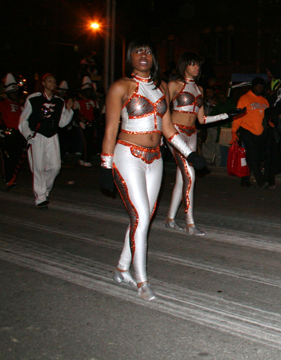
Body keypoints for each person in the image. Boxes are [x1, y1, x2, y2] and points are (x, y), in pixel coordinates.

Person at [99, 40, 207, 301]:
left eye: (148, 51)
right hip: (127, 156)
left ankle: (122, 268)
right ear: (130, 58)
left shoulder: (159, 88)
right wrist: (106, 165)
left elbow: (168, 128)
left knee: (143, 217)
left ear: (154, 58)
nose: (143, 55)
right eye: (138, 51)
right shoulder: (120, 87)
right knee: (141, 216)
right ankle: (141, 282)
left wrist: (189, 153)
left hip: (155, 159)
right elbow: (111, 129)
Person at [166, 52, 245, 235]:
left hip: (192, 134)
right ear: (184, 65)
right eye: (193, 64)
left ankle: (170, 219)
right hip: (176, 134)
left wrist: (227, 115)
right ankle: (190, 223)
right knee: (190, 175)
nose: (196, 67)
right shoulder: (174, 85)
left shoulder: (199, 89)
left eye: (198, 65)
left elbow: (201, 119)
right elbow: (161, 111)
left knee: (183, 177)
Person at [18, 73, 74, 208]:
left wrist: (69, 109)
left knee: (55, 167)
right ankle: (40, 197)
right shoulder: (33, 99)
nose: (52, 83)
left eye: (54, 81)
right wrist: (28, 135)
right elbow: (23, 120)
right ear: (43, 83)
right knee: (38, 167)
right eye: (49, 81)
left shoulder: (59, 101)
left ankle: (45, 190)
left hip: (52, 137)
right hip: (37, 136)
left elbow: (61, 123)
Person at [231, 77, 273, 188]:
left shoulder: (264, 100)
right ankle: (261, 180)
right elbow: (238, 115)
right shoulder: (244, 98)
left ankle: (245, 179)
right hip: (247, 130)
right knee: (253, 156)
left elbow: (267, 116)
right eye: (257, 86)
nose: (259, 88)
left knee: (255, 157)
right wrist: (234, 131)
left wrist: (270, 123)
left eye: (261, 86)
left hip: (260, 132)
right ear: (253, 87)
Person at [0, 73, 26, 186]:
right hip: (6, 134)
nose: (16, 95)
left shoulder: (20, 106)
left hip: (18, 134)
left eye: (16, 92)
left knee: (17, 157)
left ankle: (12, 177)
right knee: (7, 157)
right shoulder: (2, 104)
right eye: (13, 93)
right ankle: (8, 178)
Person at [75, 76, 99, 167]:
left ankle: (83, 158)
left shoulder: (94, 102)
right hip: (83, 124)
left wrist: (96, 108)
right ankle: (86, 159)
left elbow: (97, 115)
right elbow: (77, 113)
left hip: (91, 124)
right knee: (86, 142)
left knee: (90, 142)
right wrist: (80, 122)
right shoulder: (79, 102)